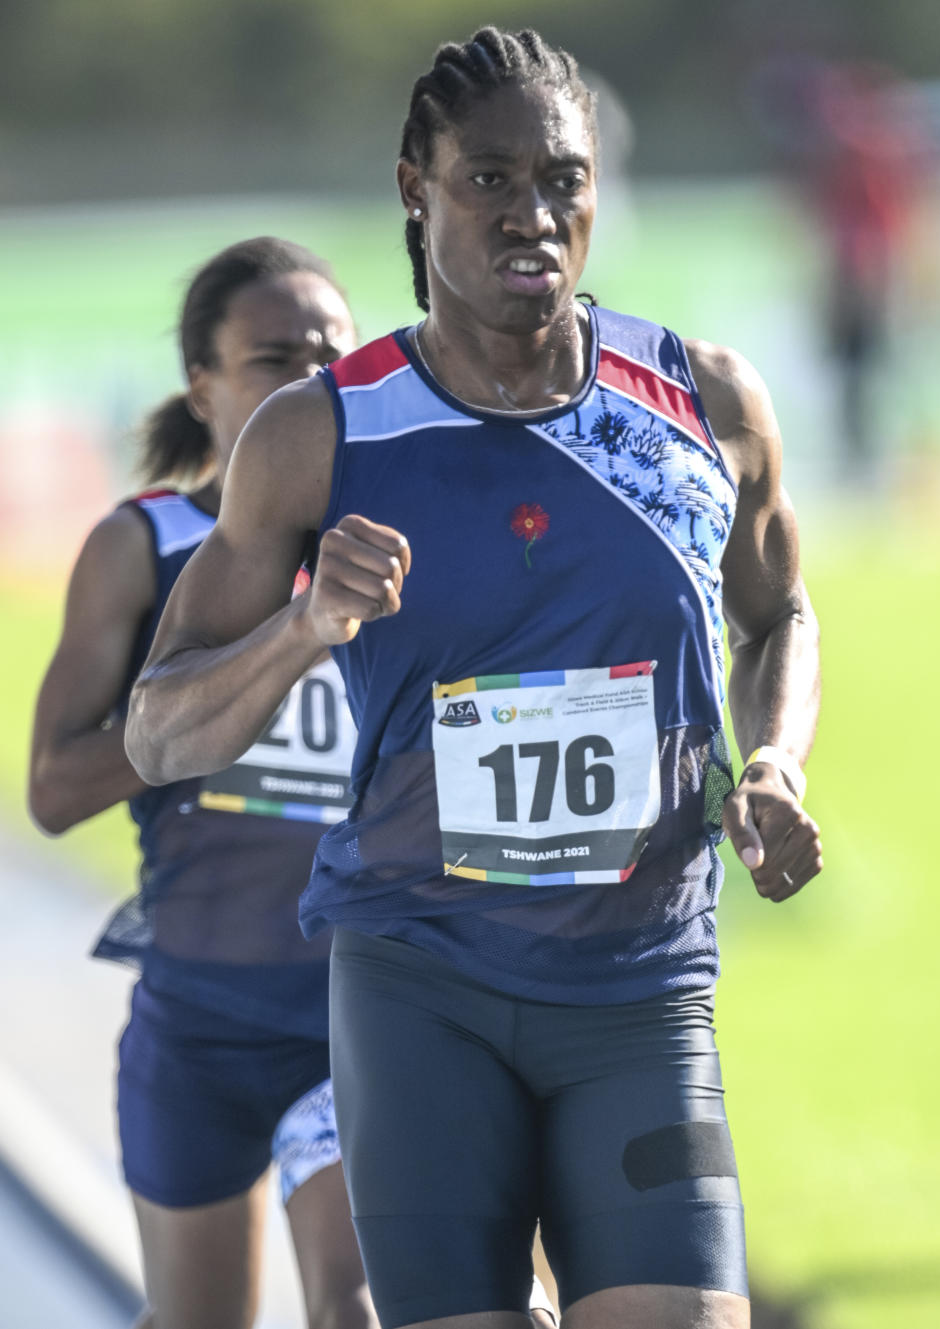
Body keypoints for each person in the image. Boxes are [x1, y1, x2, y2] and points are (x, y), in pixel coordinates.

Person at [124, 28, 823, 1329]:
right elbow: (160, 732)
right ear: (414, 188)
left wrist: (775, 757)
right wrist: (301, 630)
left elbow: (780, 616)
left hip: (639, 995)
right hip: (421, 991)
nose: (532, 214)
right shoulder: (324, 433)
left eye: (561, 179)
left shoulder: (701, 407)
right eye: (488, 180)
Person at [28, 237, 373, 1329]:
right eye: (274, 357)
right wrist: (205, 710)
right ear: (204, 386)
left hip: (357, 1013)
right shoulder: (144, 544)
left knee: (358, 1306)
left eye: (333, 354)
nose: (311, 380)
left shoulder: (393, 548)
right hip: (199, 1016)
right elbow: (49, 790)